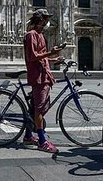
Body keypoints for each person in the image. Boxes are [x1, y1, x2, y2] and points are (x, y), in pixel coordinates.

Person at [23, 8, 64, 153]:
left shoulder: (40, 35)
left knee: (35, 109)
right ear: (40, 20)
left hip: (44, 74)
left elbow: (41, 57)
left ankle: (28, 136)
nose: (47, 22)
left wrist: (53, 59)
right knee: (39, 110)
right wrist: (50, 52)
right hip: (38, 77)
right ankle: (42, 141)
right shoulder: (31, 35)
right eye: (46, 19)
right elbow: (33, 57)